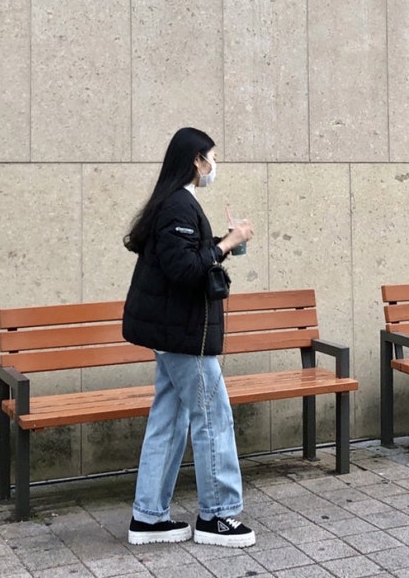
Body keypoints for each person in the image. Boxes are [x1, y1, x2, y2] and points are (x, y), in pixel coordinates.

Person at [122, 127, 255, 548]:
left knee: (169, 421)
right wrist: (227, 243)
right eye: (212, 156)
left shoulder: (174, 202)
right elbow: (183, 270)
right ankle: (217, 515)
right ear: (196, 160)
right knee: (213, 419)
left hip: (173, 332)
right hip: (183, 334)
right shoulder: (179, 204)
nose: (214, 164)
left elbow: (181, 257)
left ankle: (148, 517)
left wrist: (221, 243)